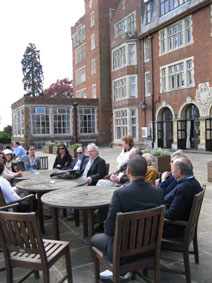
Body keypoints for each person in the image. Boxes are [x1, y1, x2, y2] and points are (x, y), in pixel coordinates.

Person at [91, 155, 164, 280]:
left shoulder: (120, 194)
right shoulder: (158, 191)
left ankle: (117, 267)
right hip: (149, 247)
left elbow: (109, 229)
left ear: (128, 171)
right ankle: (125, 269)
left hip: (124, 250)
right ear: (146, 171)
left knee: (94, 239)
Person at [164, 156, 202, 236]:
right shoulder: (191, 182)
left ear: (178, 172)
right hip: (176, 223)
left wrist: (156, 212)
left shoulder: (185, 188)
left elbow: (172, 215)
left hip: (172, 227)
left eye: (172, 170)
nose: (171, 173)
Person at [66, 147, 89, 220]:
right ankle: (56, 210)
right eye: (77, 153)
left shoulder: (86, 159)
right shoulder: (75, 160)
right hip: (71, 177)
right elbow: (70, 167)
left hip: (79, 179)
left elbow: (82, 171)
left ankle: (73, 212)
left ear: (84, 152)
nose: (78, 154)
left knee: (75, 191)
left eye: (80, 153)